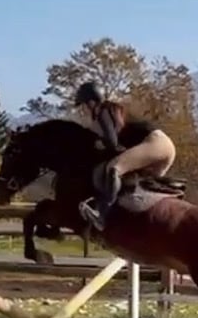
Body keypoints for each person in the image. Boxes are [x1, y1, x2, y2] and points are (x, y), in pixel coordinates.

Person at [73, 81, 177, 229]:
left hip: (155, 143)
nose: (83, 111)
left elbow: (112, 142)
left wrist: (97, 145)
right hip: (164, 146)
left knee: (114, 168)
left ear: (91, 102)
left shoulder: (103, 111)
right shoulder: (113, 111)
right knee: (138, 186)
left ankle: (101, 215)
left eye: (83, 106)